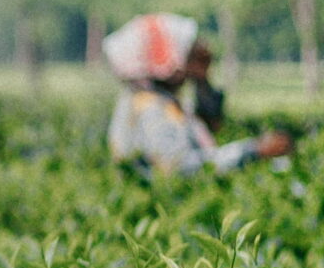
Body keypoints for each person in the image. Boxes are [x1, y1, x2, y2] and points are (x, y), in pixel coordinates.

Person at [103, 13, 292, 177]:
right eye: (187, 54)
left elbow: (211, 124)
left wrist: (202, 79)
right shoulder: (149, 106)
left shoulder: (160, 98)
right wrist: (253, 150)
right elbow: (179, 168)